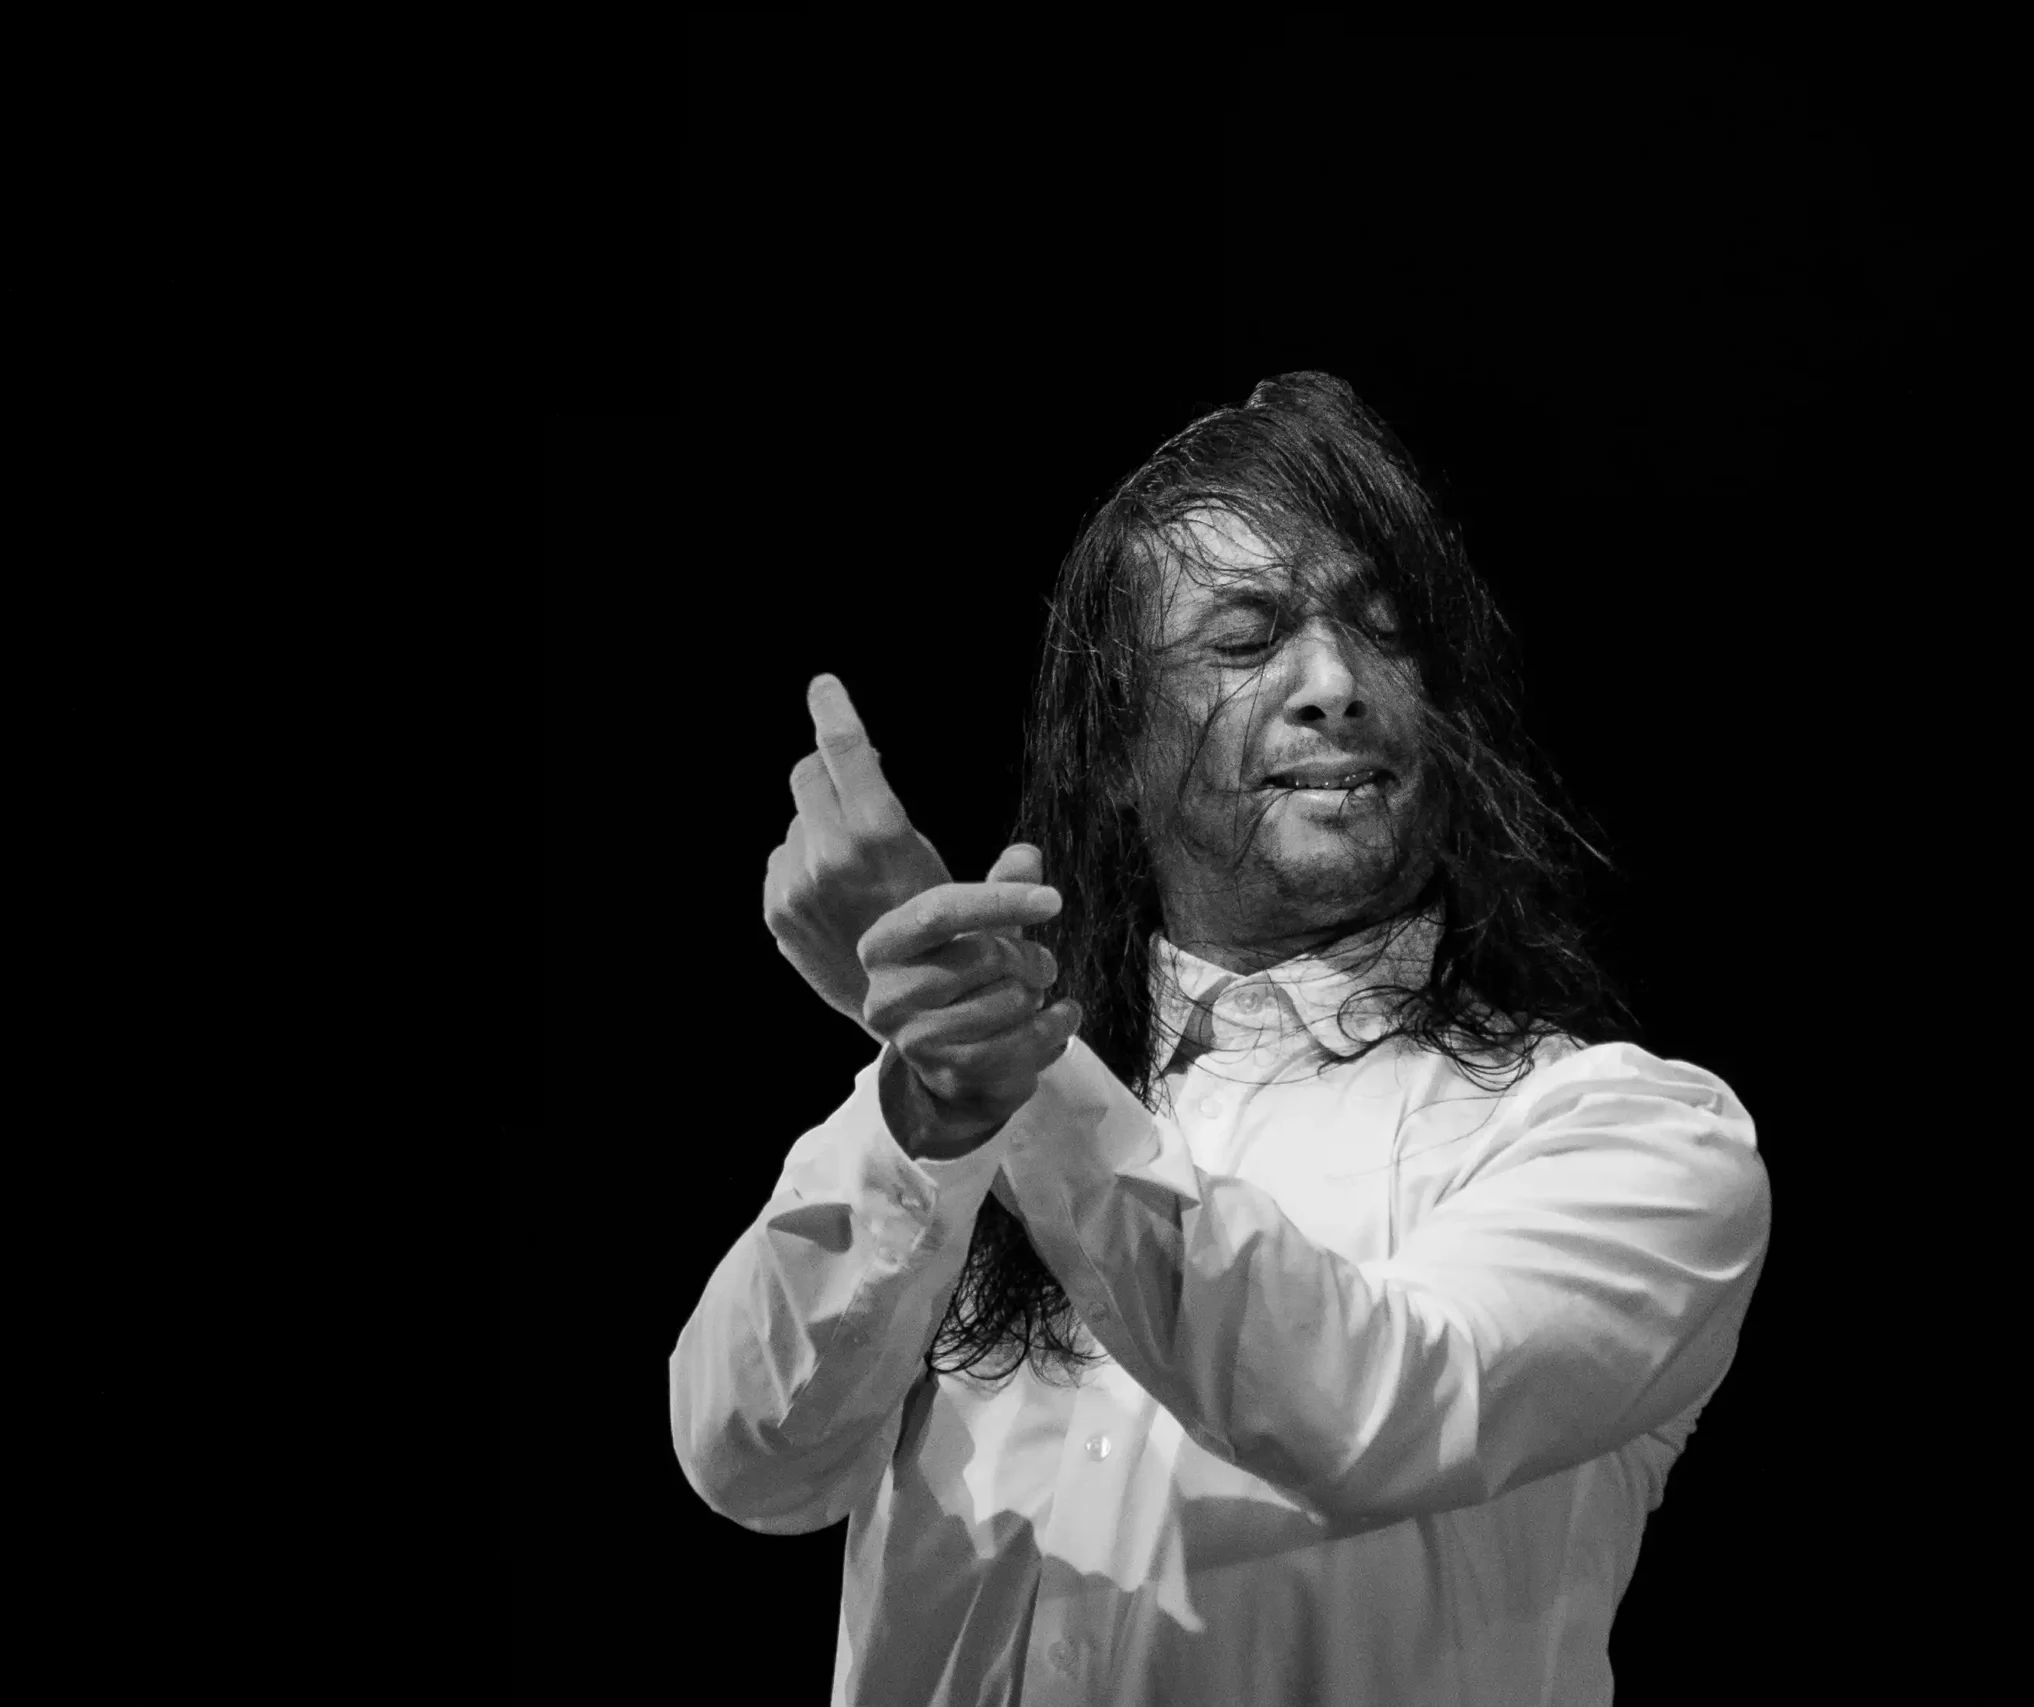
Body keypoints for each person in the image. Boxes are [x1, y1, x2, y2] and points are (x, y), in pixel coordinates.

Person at [670, 372, 1773, 1704]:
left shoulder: (1635, 1137)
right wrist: (944, 1102)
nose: (1337, 685)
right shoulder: (955, 1094)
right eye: (1246, 639)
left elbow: (1373, 1406)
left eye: (1386, 633)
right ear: (1119, 753)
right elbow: (752, 1459)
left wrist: (1010, 1065)